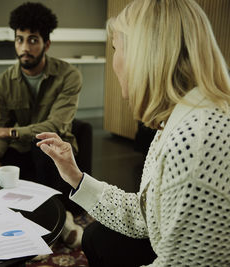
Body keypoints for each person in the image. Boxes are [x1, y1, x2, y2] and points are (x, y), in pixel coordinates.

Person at [36, 0, 230, 266]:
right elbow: (145, 214)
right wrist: (76, 176)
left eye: (116, 48)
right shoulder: (179, 116)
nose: (114, 60)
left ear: (144, 55)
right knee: (95, 237)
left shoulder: (194, 140)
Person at [0, 2, 84, 247]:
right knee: (2, 171)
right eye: (19, 40)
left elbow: (57, 126)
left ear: (46, 44)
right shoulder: (4, 81)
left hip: (55, 150)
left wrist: (3, 131)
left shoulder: (69, 75)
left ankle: (60, 222)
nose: (24, 47)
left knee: (43, 145)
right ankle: (48, 222)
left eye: (32, 40)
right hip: (19, 151)